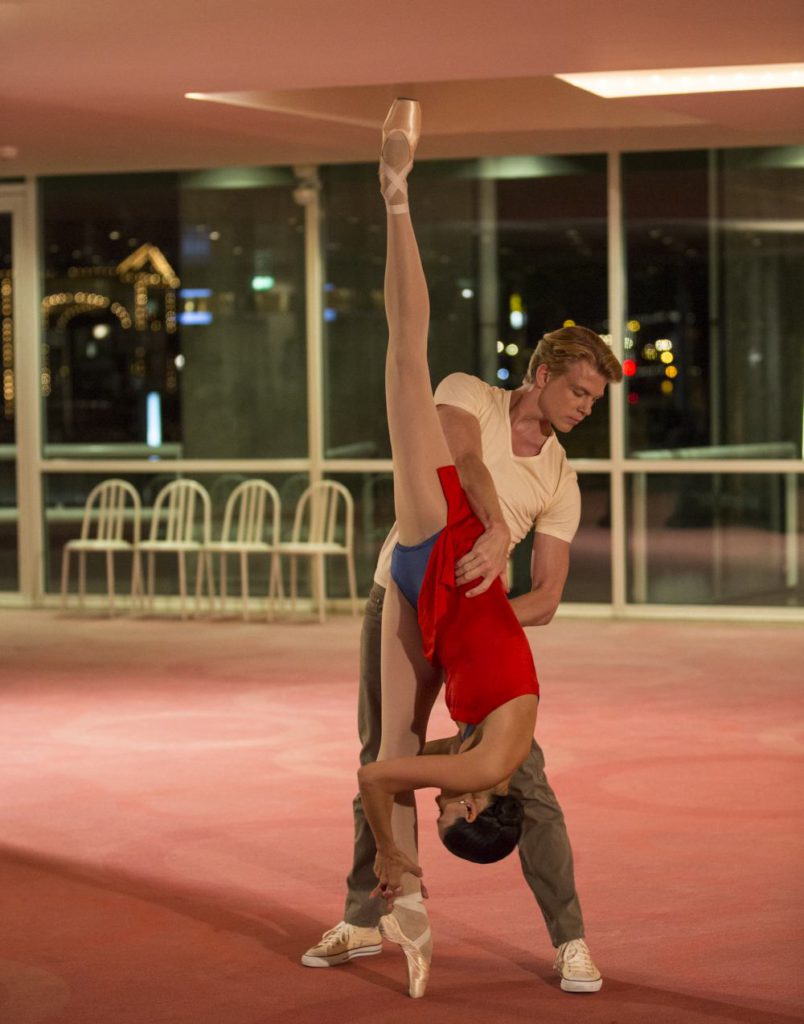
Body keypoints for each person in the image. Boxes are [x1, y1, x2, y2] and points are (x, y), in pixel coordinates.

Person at [302, 99, 623, 996]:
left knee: (530, 789)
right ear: (545, 373)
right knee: (386, 741)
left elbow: (550, 595)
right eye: (582, 391)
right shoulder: (474, 393)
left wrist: (481, 614)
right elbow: (465, 459)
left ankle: (569, 939)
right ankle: (369, 914)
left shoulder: (563, 477)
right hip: (412, 579)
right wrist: (485, 537)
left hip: (466, 618)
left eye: (596, 402)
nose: (585, 409)